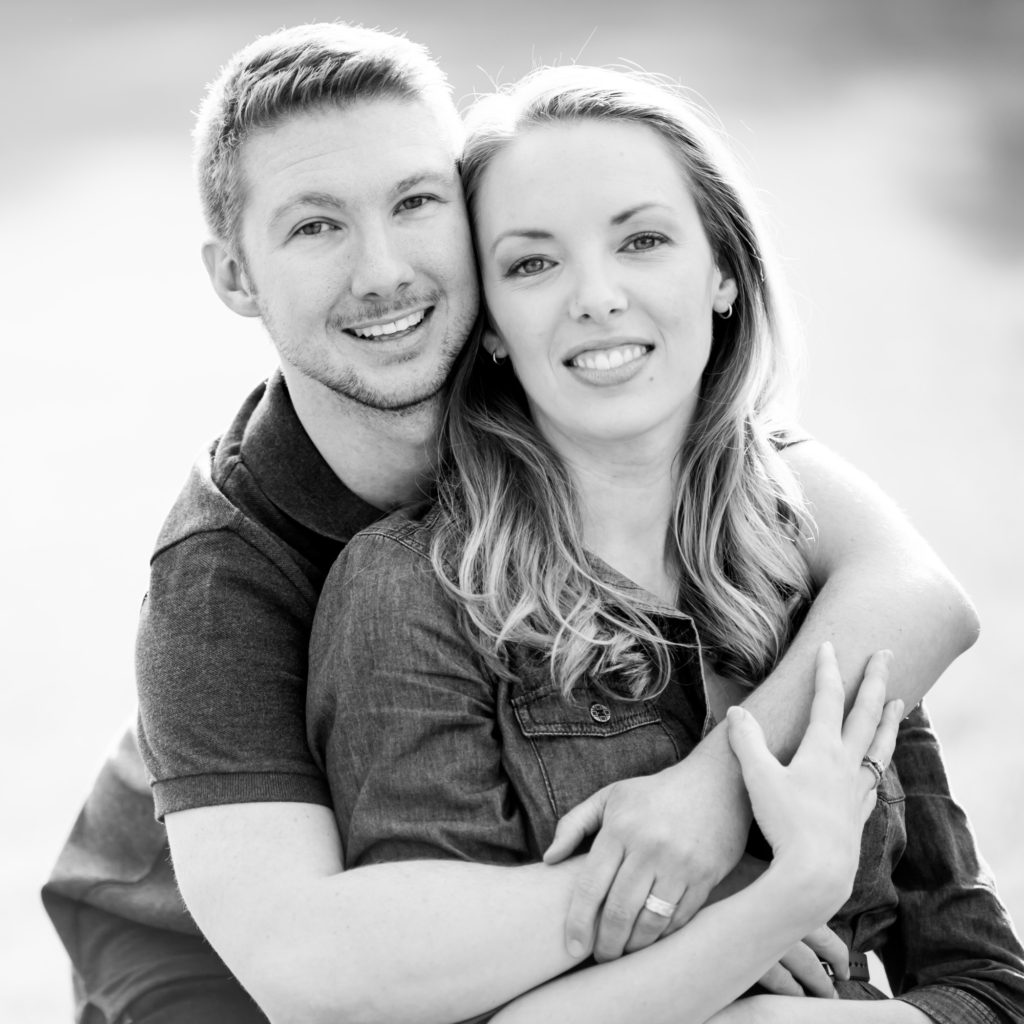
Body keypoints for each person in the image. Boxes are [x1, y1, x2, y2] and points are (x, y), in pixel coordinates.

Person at [42, 24, 981, 1024]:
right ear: (236, 276)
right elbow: (312, 971)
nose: (383, 270)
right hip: (193, 947)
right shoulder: (223, 572)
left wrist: (711, 795)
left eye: (415, 202)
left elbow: (913, 592)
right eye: (316, 226)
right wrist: (695, 891)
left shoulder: (596, 397)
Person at [306, 65, 1024, 1023]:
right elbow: (433, 1001)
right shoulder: (416, 591)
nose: (597, 297)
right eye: (532, 264)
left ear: (723, 272)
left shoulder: (813, 573)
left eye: (641, 241)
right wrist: (775, 907)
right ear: (492, 327)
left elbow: (988, 987)